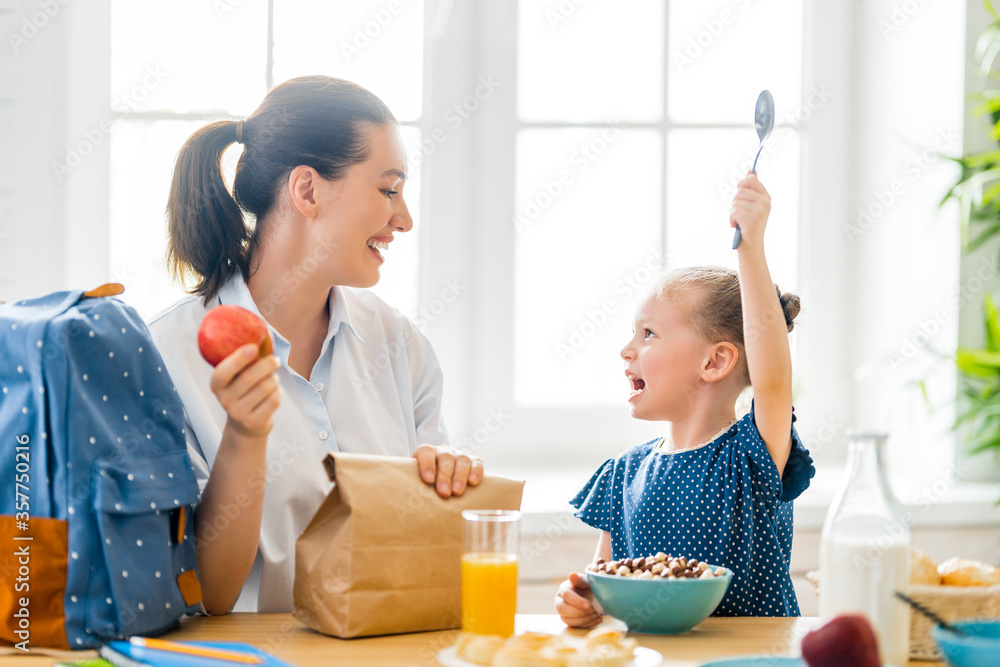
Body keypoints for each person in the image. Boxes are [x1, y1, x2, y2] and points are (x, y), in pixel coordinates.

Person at [147, 76, 483, 615]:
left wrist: (447, 480)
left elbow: (426, 557)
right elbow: (206, 595)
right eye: (388, 189)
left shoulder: (401, 346)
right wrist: (244, 437)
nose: (405, 218)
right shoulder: (165, 358)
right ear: (307, 190)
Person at [554, 174, 814, 624]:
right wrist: (583, 602)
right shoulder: (623, 475)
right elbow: (603, 585)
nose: (627, 349)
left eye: (649, 334)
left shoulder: (751, 455)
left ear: (715, 362)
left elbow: (773, 379)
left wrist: (750, 248)